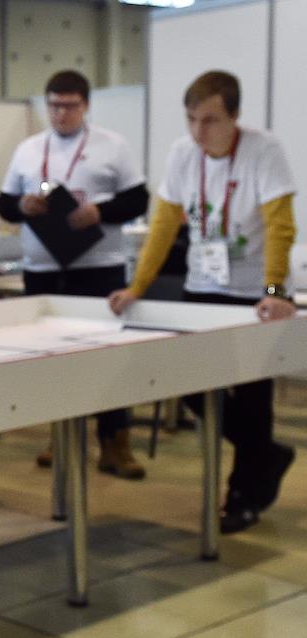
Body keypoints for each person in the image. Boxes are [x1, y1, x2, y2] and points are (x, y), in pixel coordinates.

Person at [108, 70, 297, 533]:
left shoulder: (263, 151)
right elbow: (163, 225)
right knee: (189, 381)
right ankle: (266, 454)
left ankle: (243, 496)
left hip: (252, 293)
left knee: (252, 397)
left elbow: (280, 225)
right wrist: (138, 286)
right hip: (202, 286)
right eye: (192, 119)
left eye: (210, 120)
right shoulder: (182, 154)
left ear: (234, 116)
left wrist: (275, 290)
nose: (199, 131)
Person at [0, 70, 151, 480]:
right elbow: (3, 203)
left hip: (97, 268)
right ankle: (61, 436)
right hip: (43, 270)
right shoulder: (29, 149)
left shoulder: (112, 146)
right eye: (54, 105)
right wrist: (22, 207)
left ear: (86, 106)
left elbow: (138, 199)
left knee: (108, 357)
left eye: (70, 106)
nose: (61, 113)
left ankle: (115, 442)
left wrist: (100, 211)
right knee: (51, 359)